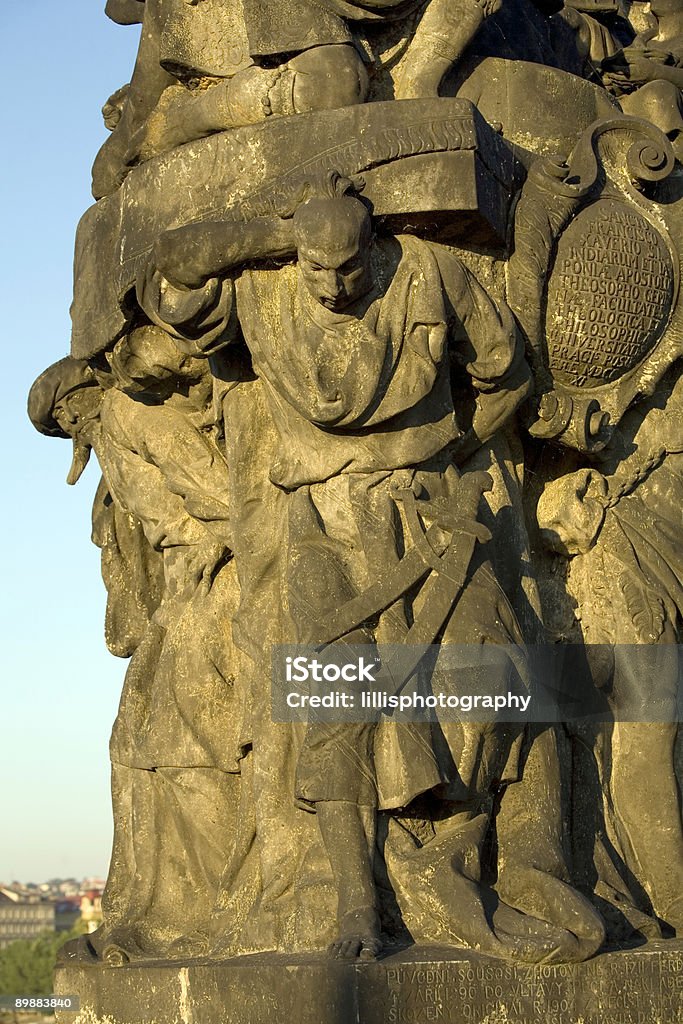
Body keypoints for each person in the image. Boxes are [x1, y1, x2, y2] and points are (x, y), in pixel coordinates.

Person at [133, 174, 606, 962]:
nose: (332, 284)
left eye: (346, 265)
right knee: (336, 710)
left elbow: (504, 369)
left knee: (490, 682)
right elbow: (175, 271)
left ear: (373, 246)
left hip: (431, 510)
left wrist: (459, 448)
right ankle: (358, 905)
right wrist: (284, 233)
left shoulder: (430, 269)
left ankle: (468, 860)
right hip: (321, 522)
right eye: (315, 267)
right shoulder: (260, 288)